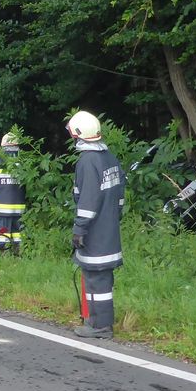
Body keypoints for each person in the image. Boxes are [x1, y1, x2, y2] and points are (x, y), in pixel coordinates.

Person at [67, 111, 124, 339]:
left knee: (95, 280)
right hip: (109, 230)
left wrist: (79, 229)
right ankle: (98, 321)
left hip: (95, 233)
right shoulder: (110, 158)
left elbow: (88, 201)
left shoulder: (87, 161)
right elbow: (119, 197)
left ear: (78, 135)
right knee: (103, 281)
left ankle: (99, 326)